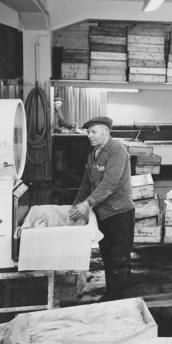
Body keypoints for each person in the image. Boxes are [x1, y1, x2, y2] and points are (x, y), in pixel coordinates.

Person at [69, 116, 135, 301]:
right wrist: (76, 205)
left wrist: (87, 204)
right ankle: (111, 294)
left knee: (119, 259)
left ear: (105, 132)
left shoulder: (117, 151)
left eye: (93, 132)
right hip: (102, 214)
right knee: (107, 255)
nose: (89, 135)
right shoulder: (93, 152)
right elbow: (86, 183)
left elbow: (109, 184)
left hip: (119, 213)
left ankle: (118, 300)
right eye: (88, 132)